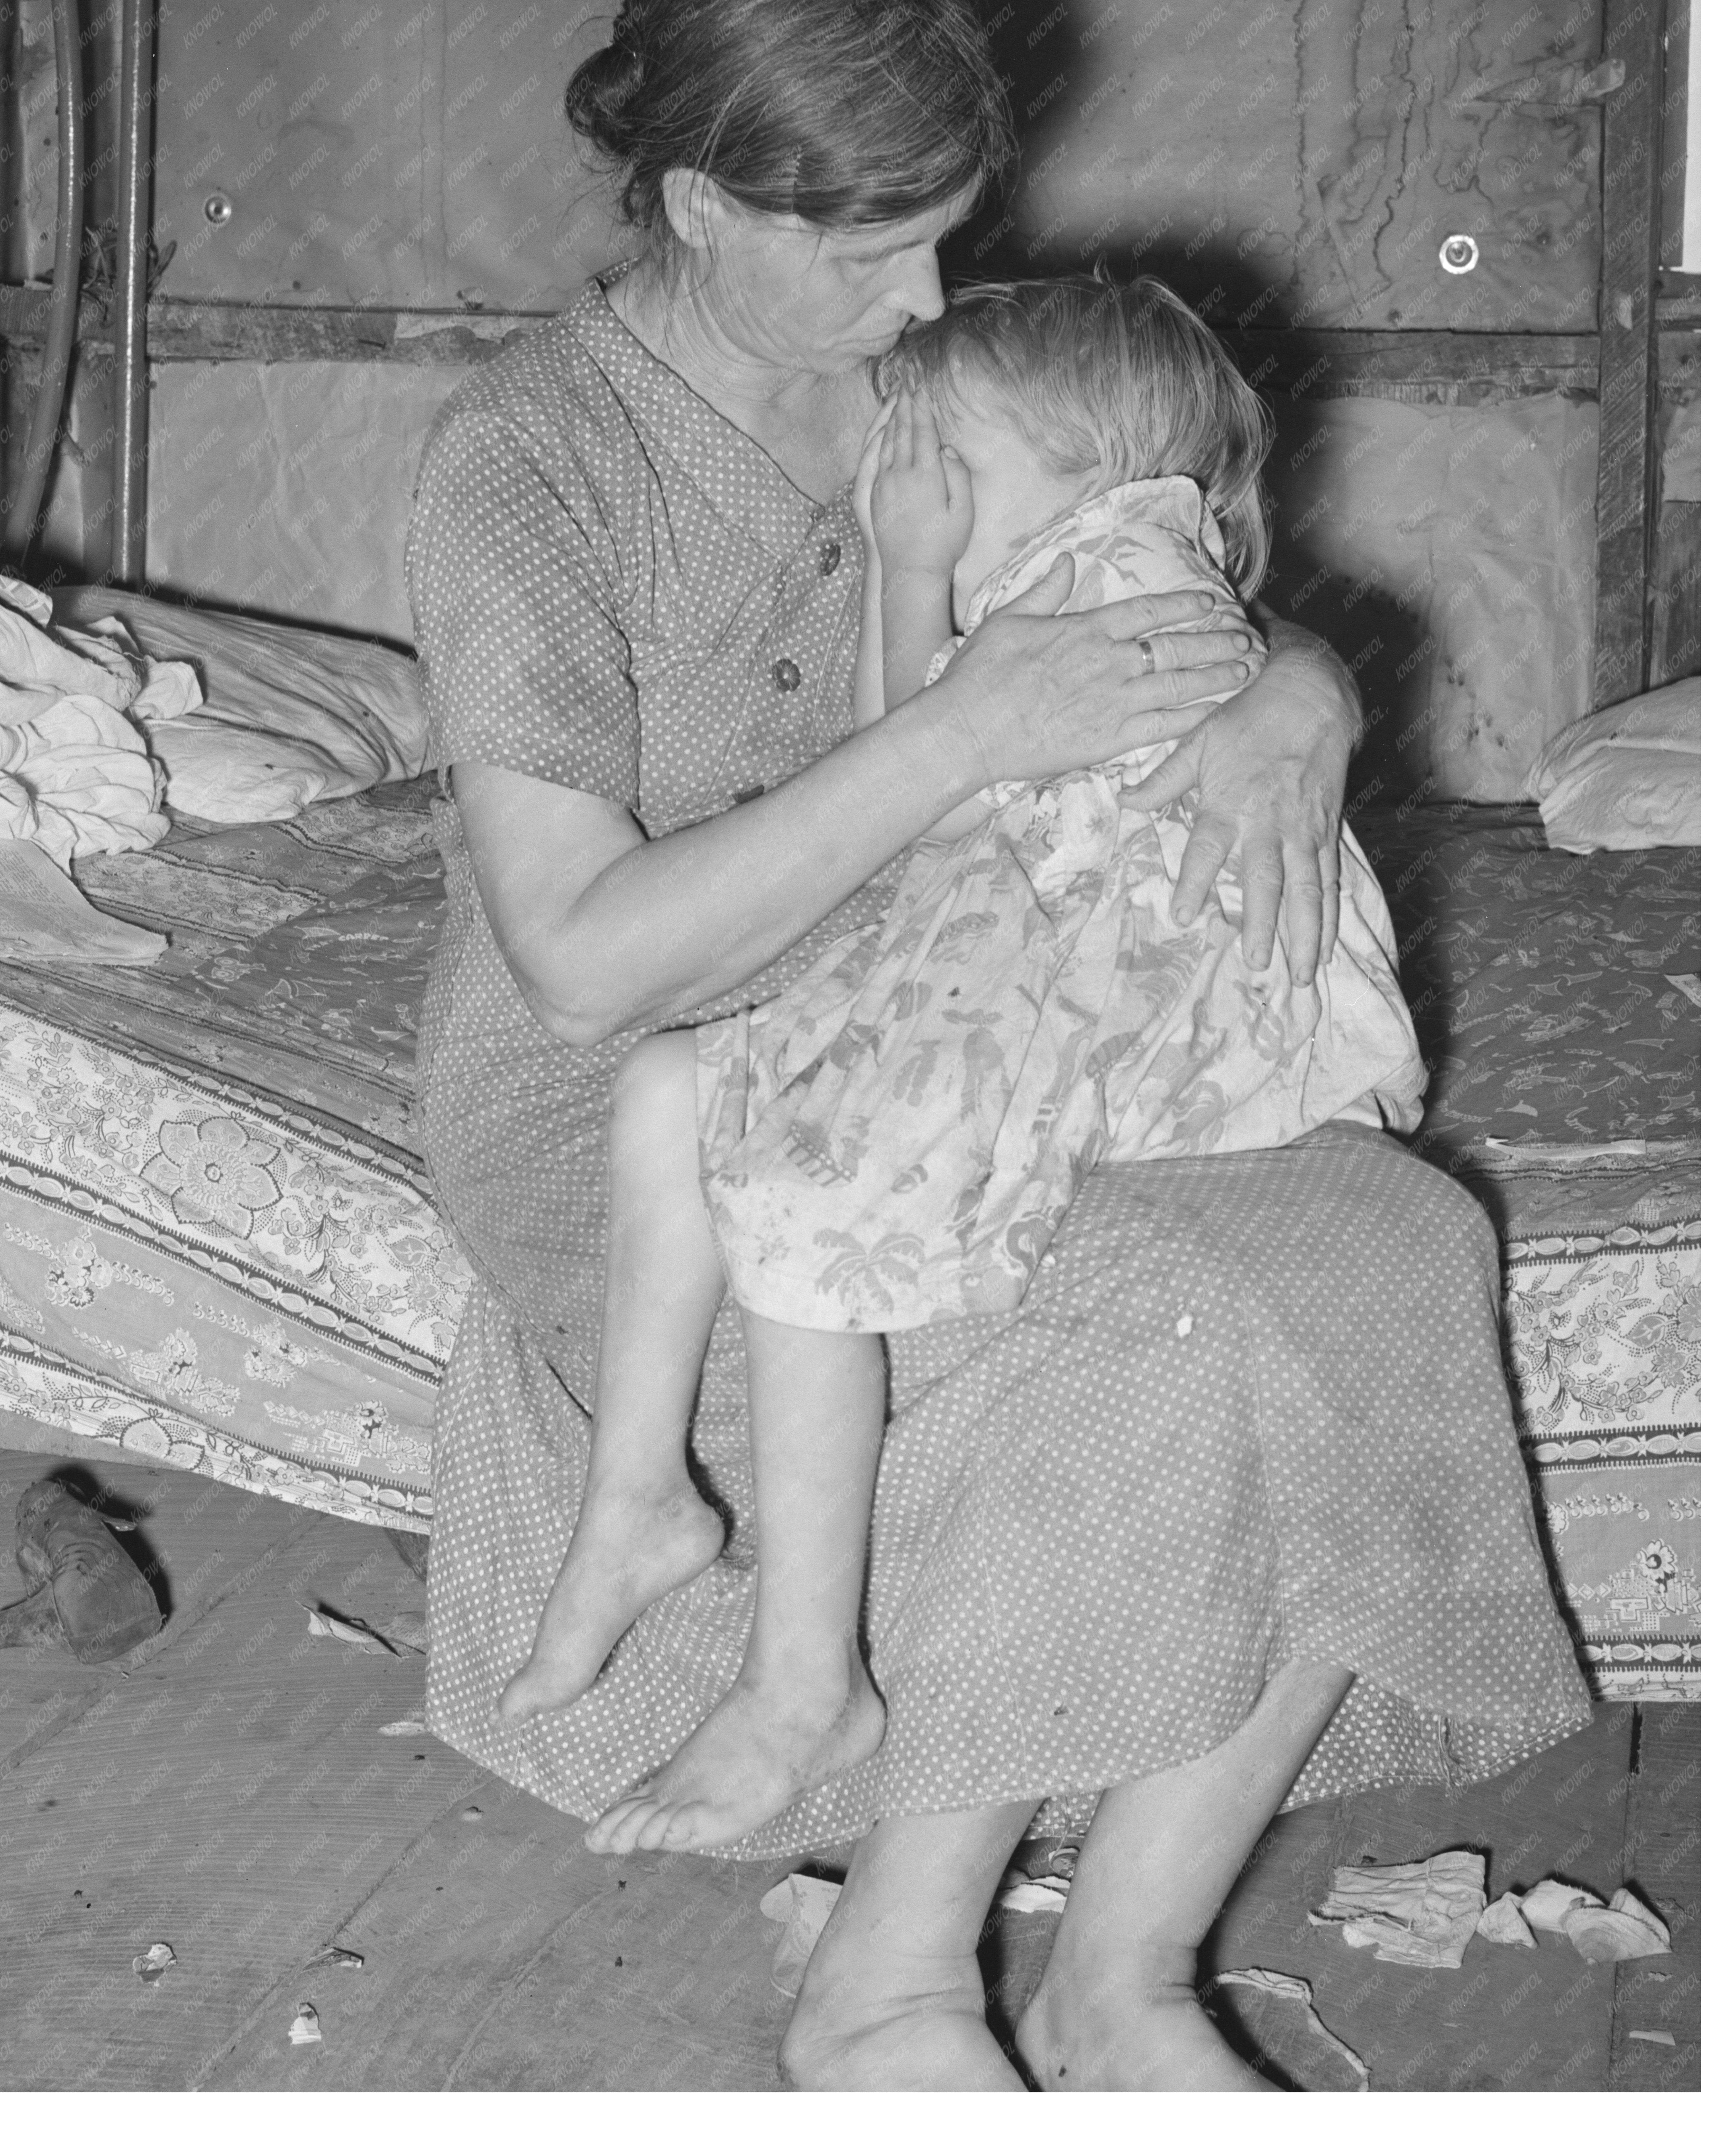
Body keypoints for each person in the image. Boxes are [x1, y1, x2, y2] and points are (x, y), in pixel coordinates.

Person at [407, 0, 1590, 2090]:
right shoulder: (531, 465)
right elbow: (578, 967)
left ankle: (1124, 1980)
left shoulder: (940, 374)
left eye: (940, 235)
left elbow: (1174, 564)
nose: (919, 296)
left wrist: (1295, 697)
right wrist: (958, 736)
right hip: (649, 1070)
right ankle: (885, 1986)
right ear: (685, 203)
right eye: (860, 253)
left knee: (1379, 1245)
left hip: (998, 1010)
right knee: (1131, 1319)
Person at [499, 274, 1430, 1862]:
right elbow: (913, 753)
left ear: (1084, 458)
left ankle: (808, 1682)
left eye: (938, 455)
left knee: (810, 1202)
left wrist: (1279, 670)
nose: (895, 479)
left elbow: (943, 801)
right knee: (670, 1089)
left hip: (1162, 1030)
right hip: (1047, 976)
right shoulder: (1062, 559)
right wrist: (915, 559)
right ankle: (637, 1494)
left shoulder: (1116, 582)